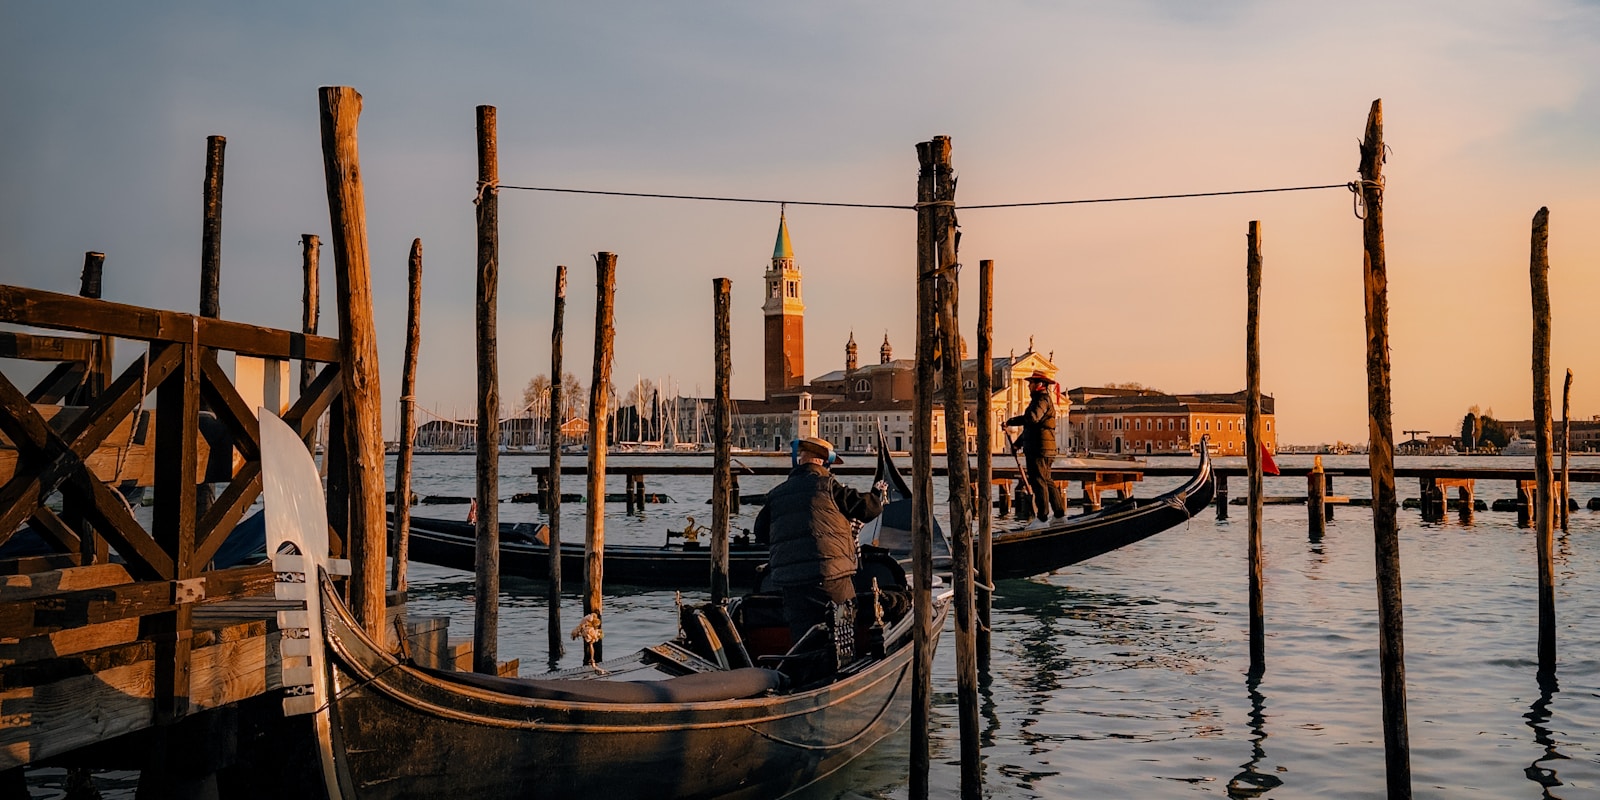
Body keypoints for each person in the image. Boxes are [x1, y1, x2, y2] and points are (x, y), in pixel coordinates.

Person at [753, 436, 886, 644]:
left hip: (790, 580)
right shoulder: (830, 486)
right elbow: (870, 508)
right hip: (831, 574)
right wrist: (877, 495)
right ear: (825, 461)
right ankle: (841, 670)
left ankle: (805, 671)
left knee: (803, 635)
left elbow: (760, 534)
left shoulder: (776, 494)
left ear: (801, 459)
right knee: (843, 629)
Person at [1006, 370, 1066, 529]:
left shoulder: (1041, 400)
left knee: (1039, 481)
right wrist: (1018, 443)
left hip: (1039, 448)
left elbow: (1032, 419)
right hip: (1043, 446)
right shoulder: (1042, 400)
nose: (1028, 386)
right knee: (1046, 480)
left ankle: (1042, 517)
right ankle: (1059, 516)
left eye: (1030, 383)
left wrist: (1011, 421)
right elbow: (1031, 427)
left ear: (1039, 385)